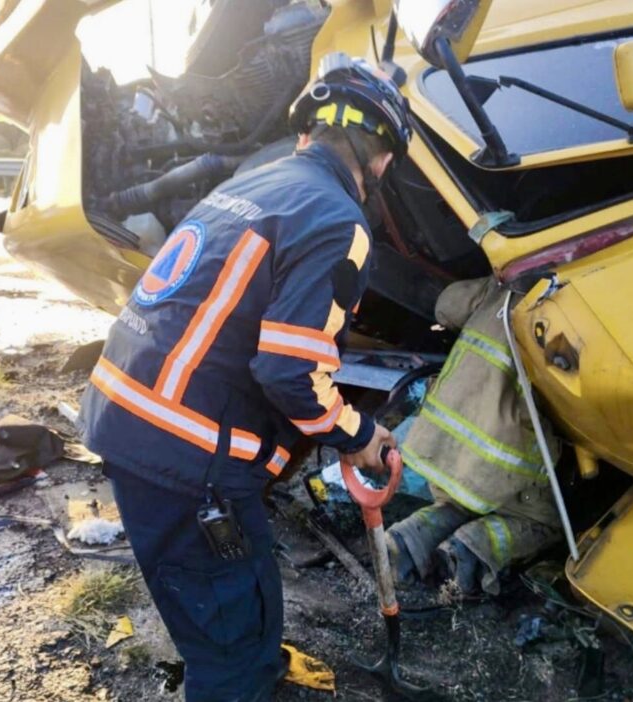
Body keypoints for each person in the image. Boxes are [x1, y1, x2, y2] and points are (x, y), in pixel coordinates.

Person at [77, 52, 412, 702]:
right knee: (240, 653)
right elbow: (290, 369)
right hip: (187, 459)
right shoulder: (339, 221)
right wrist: (358, 432)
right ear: (381, 157)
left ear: (309, 130)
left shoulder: (254, 186)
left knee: (213, 621)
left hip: (127, 425)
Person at [386, 277, 562, 596]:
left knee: (459, 500)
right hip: (497, 457)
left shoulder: (512, 280)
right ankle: (467, 551)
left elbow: (447, 305)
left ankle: (406, 542)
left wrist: (494, 288)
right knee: (544, 521)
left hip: (437, 445)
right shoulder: (579, 304)